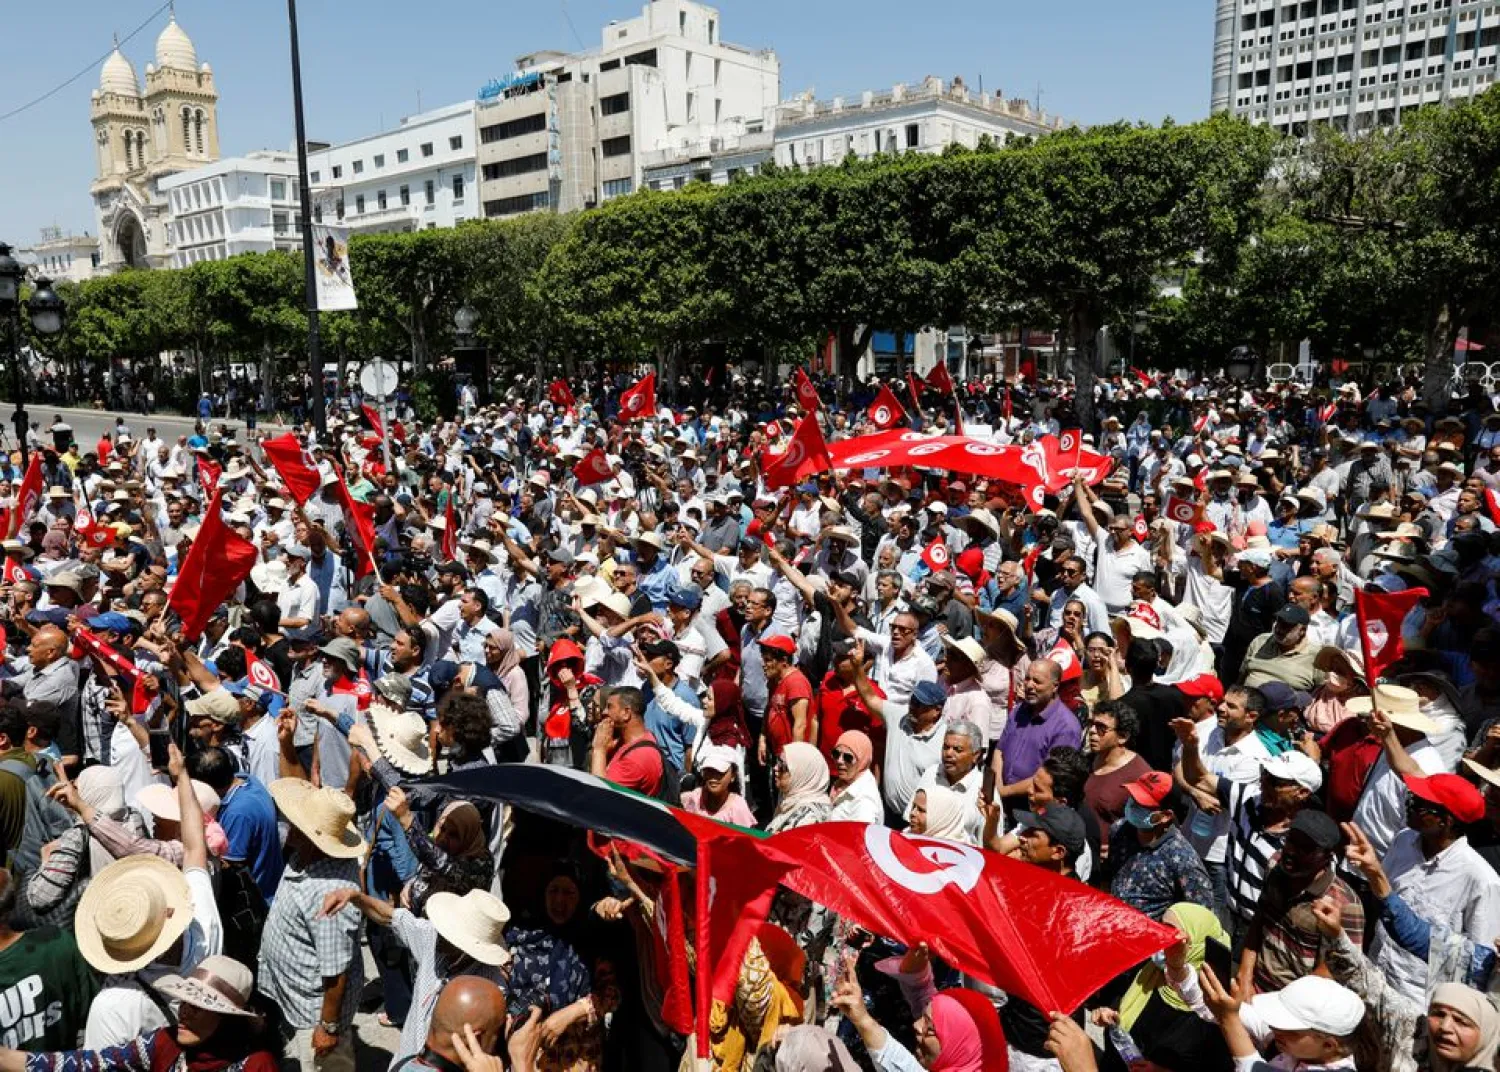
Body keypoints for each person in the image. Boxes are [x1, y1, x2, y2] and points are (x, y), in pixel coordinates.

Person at [0, 956, 278, 1072]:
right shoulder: (165, 1044)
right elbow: (89, 1063)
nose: (185, 1013)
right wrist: (9, 1059)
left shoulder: (257, 1065)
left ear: (225, 1020)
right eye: (184, 1002)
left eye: (199, 1007)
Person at [257, 779, 367, 1072]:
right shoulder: (302, 857)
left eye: (297, 824)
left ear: (312, 837)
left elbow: (336, 970)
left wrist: (328, 1027)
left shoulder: (330, 893)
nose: (289, 826)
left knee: (325, 1065)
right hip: (296, 1001)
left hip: (314, 1013)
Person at [1105, 771, 1215, 922]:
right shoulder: (1119, 830)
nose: (1132, 806)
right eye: (1133, 799)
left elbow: (1201, 914)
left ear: (1165, 816)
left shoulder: (1182, 859)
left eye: (1142, 805)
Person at [828, 730, 883, 824]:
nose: (839, 761)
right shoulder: (844, 782)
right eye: (836, 754)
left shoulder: (865, 800)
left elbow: (860, 835)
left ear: (863, 760)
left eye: (847, 757)